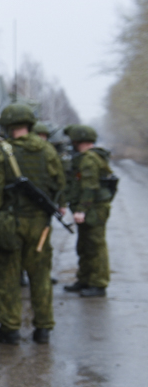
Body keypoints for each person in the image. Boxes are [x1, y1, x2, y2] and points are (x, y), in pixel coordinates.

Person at [0, 103, 64, 344]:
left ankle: (10, 328)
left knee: (7, 276)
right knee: (40, 276)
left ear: (7, 126)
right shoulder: (47, 150)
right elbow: (60, 184)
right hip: (39, 224)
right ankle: (43, 329)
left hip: (9, 223)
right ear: (29, 124)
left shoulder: (2, 152)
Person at [63, 124, 114, 297]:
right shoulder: (88, 157)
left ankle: (98, 284)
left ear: (78, 140)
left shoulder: (89, 159)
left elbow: (89, 187)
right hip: (91, 207)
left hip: (94, 208)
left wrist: (81, 210)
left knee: (95, 245)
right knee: (84, 244)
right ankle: (84, 279)